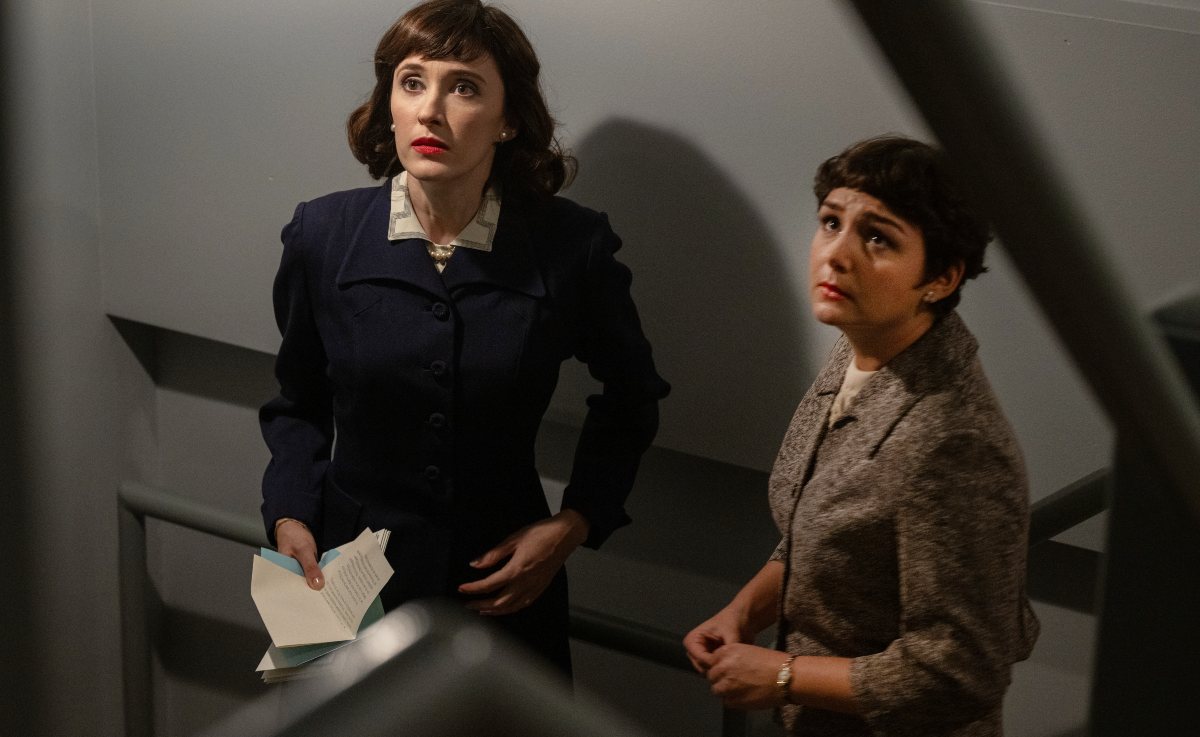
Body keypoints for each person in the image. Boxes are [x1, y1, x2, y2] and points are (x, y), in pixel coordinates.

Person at [260, 0, 668, 676]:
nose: (430, 110)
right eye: (412, 81)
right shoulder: (322, 235)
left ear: (508, 120)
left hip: (500, 586)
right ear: (387, 101)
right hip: (346, 584)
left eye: (465, 87)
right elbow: (296, 401)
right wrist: (289, 516)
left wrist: (574, 523)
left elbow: (632, 396)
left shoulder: (571, 247)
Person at [684, 135, 1038, 735]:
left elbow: (961, 669)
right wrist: (743, 612)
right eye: (830, 222)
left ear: (941, 279)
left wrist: (785, 676)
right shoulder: (862, 348)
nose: (836, 254)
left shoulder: (955, 439)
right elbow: (824, 537)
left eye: (877, 237)